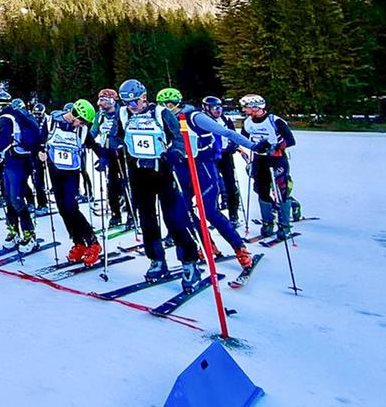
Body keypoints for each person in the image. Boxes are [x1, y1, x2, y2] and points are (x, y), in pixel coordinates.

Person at [101, 80, 202, 289]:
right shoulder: (123, 114)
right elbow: (114, 137)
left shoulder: (161, 113)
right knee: (147, 221)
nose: (132, 106)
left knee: (174, 220)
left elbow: (178, 138)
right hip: (138, 173)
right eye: (127, 102)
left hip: (162, 171)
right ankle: (157, 260)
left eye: (135, 101)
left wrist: (176, 152)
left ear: (144, 97)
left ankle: (189, 261)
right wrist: (116, 146)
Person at [157, 88, 265, 270]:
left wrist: (253, 146)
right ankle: (206, 244)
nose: (170, 109)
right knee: (183, 212)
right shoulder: (163, 119)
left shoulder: (194, 117)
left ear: (179, 102)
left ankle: (240, 249)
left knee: (209, 211)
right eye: (165, 105)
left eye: (172, 104)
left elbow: (227, 133)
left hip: (203, 168)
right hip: (182, 168)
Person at [42, 101, 102, 266]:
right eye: (81, 121)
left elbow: (94, 145)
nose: (81, 125)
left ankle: (93, 243)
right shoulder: (51, 122)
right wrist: (40, 152)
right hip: (54, 171)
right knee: (62, 209)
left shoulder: (82, 130)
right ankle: (78, 243)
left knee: (71, 207)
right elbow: (41, 140)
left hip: (71, 174)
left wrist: (106, 156)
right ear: (74, 114)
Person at [0, 90, 40, 250]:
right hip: (17, 159)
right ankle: (14, 231)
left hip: (17, 161)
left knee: (15, 198)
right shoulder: (18, 114)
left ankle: (29, 235)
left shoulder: (6, 117)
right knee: (8, 196)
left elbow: (5, 140)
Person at [239, 94, 299, 241]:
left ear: (255, 107)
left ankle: (284, 225)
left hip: (277, 158)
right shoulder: (247, 122)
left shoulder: (275, 121)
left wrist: (277, 146)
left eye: (245, 106)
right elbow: (244, 138)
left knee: (281, 189)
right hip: (260, 158)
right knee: (261, 189)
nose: (243, 109)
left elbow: (291, 140)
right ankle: (267, 223)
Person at [92, 88, 133, 227]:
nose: (100, 103)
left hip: (122, 152)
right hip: (107, 151)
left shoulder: (122, 112)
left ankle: (131, 214)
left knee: (126, 182)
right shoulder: (100, 115)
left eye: (103, 100)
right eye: (100, 100)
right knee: (111, 184)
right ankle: (115, 214)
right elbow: (94, 131)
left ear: (112, 100)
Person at [203, 96, 244, 227]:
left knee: (230, 184)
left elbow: (233, 135)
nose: (218, 111)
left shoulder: (225, 120)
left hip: (225, 155)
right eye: (214, 108)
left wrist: (233, 145)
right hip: (210, 156)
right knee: (212, 185)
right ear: (206, 108)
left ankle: (234, 215)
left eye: (219, 108)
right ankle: (215, 216)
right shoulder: (202, 120)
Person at [29, 101, 50, 214]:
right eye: (35, 114)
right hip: (33, 151)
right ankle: (34, 202)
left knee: (39, 179)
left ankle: (43, 203)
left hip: (44, 152)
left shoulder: (48, 121)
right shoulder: (31, 120)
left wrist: (44, 148)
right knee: (35, 179)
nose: (37, 116)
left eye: (39, 114)